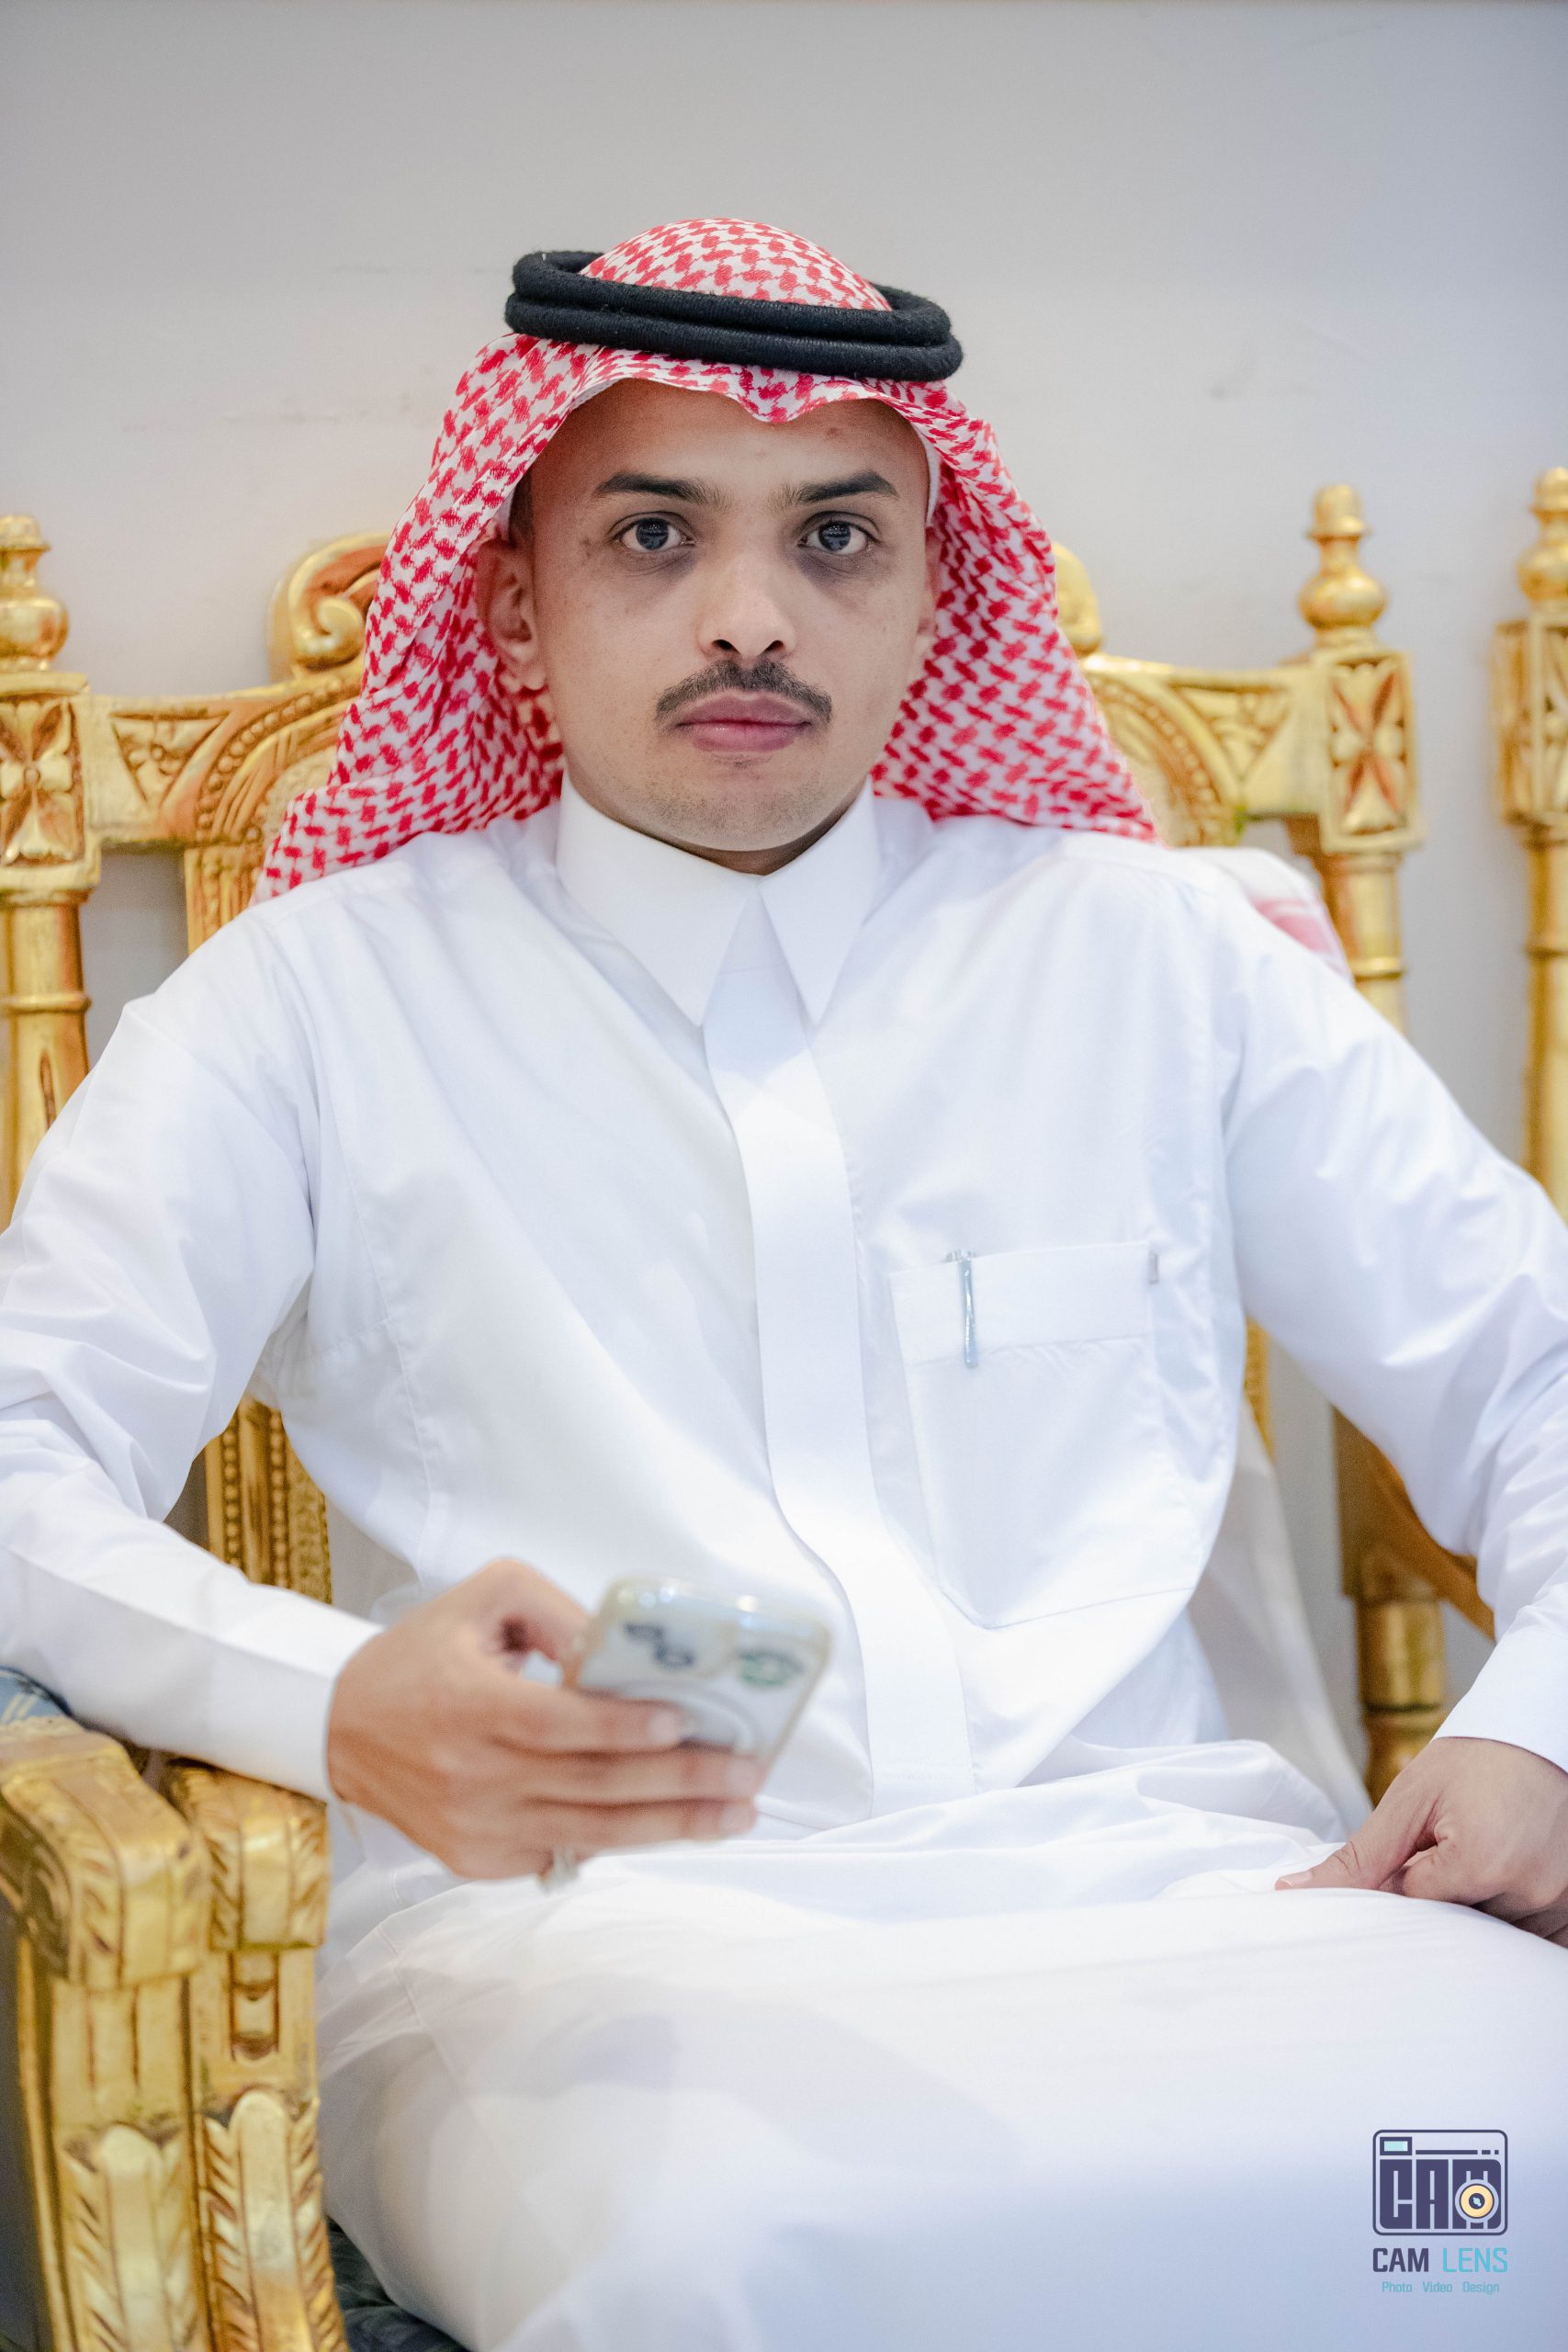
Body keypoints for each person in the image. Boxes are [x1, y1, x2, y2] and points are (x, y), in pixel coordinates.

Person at [1, 220, 1566, 2350]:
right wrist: (335, 1700)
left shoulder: (1154, 956)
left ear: (933, 590)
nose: (749, 614)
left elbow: (1530, 1364)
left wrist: (1532, 1726)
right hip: (585, 1957)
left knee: (1508, 2169)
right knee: (727, 2257)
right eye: (652, 533)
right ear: (512, 600)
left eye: (834, 535)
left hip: (1208, 1900)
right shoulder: (313, 1003)